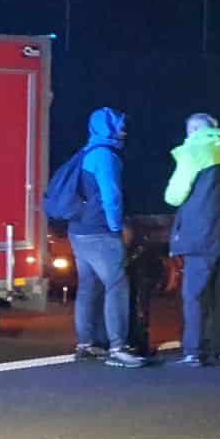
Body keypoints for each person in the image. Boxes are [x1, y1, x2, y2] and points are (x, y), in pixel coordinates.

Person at [166, 112, 220, 366]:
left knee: (195, 295)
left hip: (202, 237)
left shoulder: (193, 152)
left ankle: (193, 351)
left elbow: (174, 196)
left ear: (192, 130)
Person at [67, 107, 147, 367]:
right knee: (117, 286)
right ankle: (118, 348)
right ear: (108, 127)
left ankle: (85, 344)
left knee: (88, 287)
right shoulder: (105, 156)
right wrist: (116, 227)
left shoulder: (86, 152)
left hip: (78, 230)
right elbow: (111, 195)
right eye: (119, 125)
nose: (123, 130)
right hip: (100, 232)